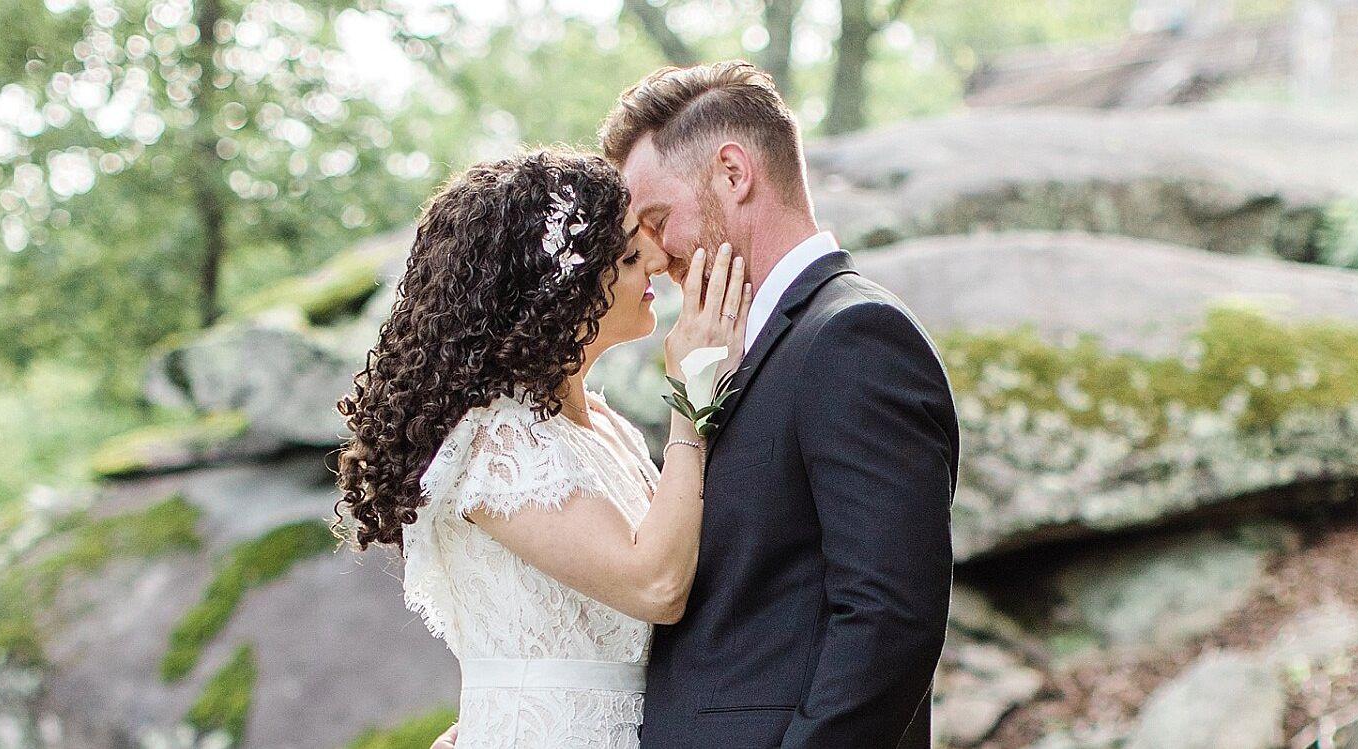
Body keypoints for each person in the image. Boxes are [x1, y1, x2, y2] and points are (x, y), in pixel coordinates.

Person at [336, 149, 750, 748]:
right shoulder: (497, 441)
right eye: (628, 256)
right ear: (560, 296)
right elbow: (655, 586)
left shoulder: (608, 427)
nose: (659, 261)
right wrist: (693, 398)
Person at [599, 60, 959, 748]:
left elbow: (890, 618)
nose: (655, 255)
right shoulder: (735, 350)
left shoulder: (855, 337)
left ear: (733, 173)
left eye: (657, 218)